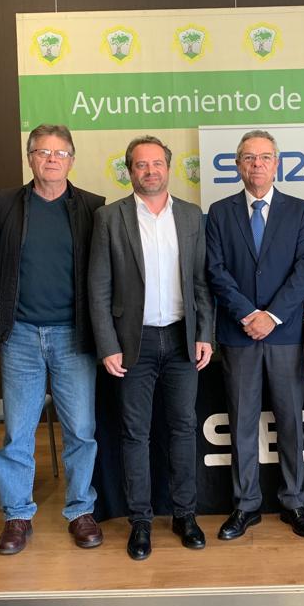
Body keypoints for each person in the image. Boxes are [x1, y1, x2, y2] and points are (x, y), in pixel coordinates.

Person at [88, 136, 213, 561]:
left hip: (181, 338)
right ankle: (140, 520)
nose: (150, 171)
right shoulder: (110, 218)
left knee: (182, 429)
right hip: (131, 343)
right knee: (135, 434)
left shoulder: (193, 216)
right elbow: (98, 287)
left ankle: (185, 515)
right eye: (141, 165)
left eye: (157, 163)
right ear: (129, 171)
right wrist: (107, 343)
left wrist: (205, 333)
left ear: (168, 167)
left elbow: (201, 284)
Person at [0, 124, 105, 555]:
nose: (51, 159)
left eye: (60, 152)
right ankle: (17, 515)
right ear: (29, 157)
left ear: (72, 159)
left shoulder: (93, 207)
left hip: (74, 336)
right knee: (18, 431)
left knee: (82, 430)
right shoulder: (5, 205)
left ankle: (80, 511)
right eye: (42, 151)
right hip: (19, 336)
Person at [205, 129, 304, 540]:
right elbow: (215, 271)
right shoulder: (219, 212)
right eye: (249, 158)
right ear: (238, 165)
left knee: (290, 422)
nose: (257, 165)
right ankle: (245, 505)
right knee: (243, 424)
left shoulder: (300, 210)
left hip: (284, 336)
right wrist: (248, 314)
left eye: (265, 157)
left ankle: (294, 501)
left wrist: (271, 316)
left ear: (277, 164)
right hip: (239, 336)